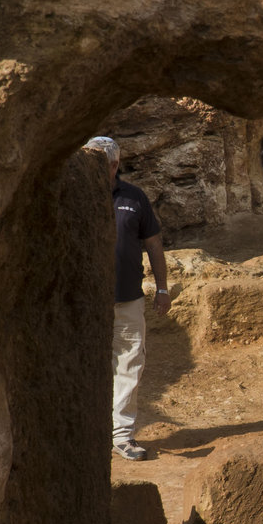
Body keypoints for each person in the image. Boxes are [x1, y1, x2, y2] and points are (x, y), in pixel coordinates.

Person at [90, 137, 172, 460]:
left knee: (128, 363)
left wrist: (162, 288)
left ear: (114, 165)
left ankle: (121, 436)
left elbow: (153, 244)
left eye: (103, 164)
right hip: (87, 303)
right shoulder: (75, 197)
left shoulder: (134, 198)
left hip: (128, 300)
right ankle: (91, 433)